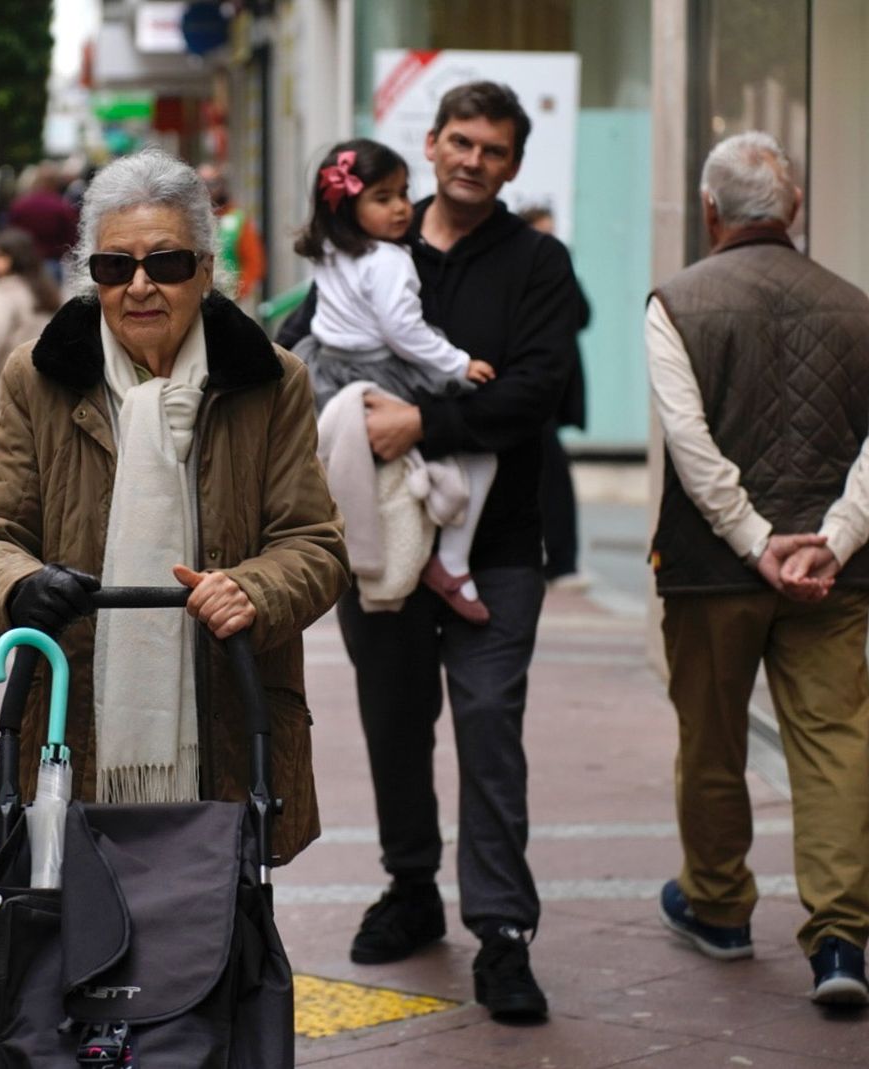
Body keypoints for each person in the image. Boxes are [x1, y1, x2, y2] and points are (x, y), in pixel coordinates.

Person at [0, 147, 347, 865]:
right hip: (76, 722)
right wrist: (21, 584)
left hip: (225, 720)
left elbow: (315, 545)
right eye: (113, 266)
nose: (139, 286)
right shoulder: (39, 376)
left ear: (203, 270)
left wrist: (250, 590)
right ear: (90, 274)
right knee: (78, 949)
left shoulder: (271, 380)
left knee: (214, 943)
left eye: (164, 264)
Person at [279, 82, 580, 1021]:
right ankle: (411, 886)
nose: (472, 160)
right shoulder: (372, 243)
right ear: (434, 144)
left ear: (513, 164)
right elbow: (298, 348)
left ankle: (503, 932)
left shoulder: (538, 262)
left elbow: (538, 391)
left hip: (497, 544)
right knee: (395, 722)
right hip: (383, 543)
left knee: (491, 729)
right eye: (459, 141)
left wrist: (422, 421)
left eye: (493, 148)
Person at [648, 132, 869, 1006]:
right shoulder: (854, 304)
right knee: (836, 748)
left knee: (713, 739)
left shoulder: (676, 302)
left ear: (709, 211)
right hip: (831, 580)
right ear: (794, 211)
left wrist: (754, 539)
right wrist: (831, 540)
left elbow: (689, 444)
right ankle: (839, 943)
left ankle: (721, 909)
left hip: (712, 573)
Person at [296, 138, 499, 623]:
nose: (402, 208)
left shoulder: (328, 250)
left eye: (404, 194)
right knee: (480, 450)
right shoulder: (389, 260)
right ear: (348, 205)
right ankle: (451, 561)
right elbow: (403, 331)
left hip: (327, 366)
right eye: (383, 198)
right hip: (381, 369)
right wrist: (457, 363)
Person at [517, 205, 590, 588]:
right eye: (542, 234)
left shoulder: (556, 272)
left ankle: (562, 559)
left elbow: (582, 314)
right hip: (527, 391)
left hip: (549, 393)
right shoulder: (519, 275)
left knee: (553, 476)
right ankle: (558, 559)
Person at [0, 227, 59, 401]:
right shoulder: (46, 288)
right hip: (47, 379)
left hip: (12, 378)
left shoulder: (5, 289)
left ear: (15, 257)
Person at [199, 164, 265, 303]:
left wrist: (238, 292)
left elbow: (254, 262)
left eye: (213, 184)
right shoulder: (191, 219)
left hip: (230, 299)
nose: (209, 190)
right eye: (202, 184)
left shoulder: (238, 219)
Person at [7, 162, 78, 280]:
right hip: (52, 262)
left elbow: (12, 232)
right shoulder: (61, 206)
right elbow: (71, 236)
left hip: (25, 262)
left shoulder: (20, 205)